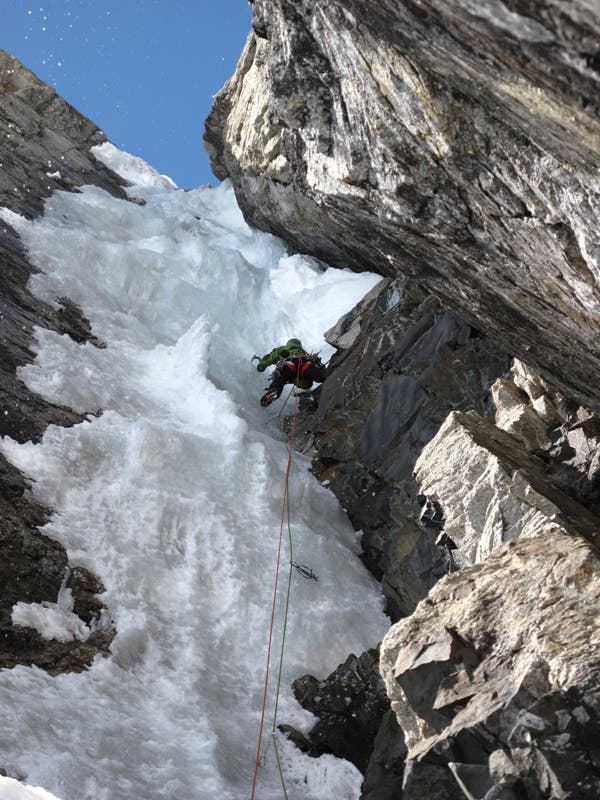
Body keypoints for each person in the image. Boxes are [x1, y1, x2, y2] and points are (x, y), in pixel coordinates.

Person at [256, 338, 327, 407]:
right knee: (310, 371)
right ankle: (322, 374)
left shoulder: (283, 348)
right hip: (304, 363)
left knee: (283, 376)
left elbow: (271, 358)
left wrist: (260, 367)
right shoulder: (304, 352)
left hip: (291, 362)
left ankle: (275, 389)